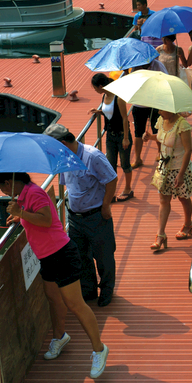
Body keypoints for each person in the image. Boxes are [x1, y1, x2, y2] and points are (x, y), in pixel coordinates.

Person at [0, 171, 109, 379]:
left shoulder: (34, 193)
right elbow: (34, 218)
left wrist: (21, 212)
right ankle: (60, 336)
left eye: (1, 187)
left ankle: (99, 349)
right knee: (54, 299)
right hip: (47, 257)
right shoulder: (23, 195)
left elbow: (46, 220)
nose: (2, 192)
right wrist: (20, 217)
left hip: (61, 254)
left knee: (75, 304)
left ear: (9, 182)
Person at [44, 122, 119, 307]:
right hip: (75, 217)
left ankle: (107, 290)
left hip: (96, 216)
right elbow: (69, 186)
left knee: (104, 256)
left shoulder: (92, 156)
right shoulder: (64, 159)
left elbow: (111, 179)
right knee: (80, 257)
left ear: (63, 143)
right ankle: (89, 291)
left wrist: (106, 205)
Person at [144, 109, 192, 251]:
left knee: (183, 198)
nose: (159, 111)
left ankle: (188, 224)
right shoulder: (161, 120)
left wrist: (181, 174)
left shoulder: (182, 125)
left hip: (179, 168)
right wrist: (150, 137)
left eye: (162, 109)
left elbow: (188, 150)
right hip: (164, 167)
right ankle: (160, 234)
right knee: (163, 201)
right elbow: (162, 137)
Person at [89, 73, 134, 201]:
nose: (95, 90)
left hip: (121, 135)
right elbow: (109, 112)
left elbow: (125, 118)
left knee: (125, 164)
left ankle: (128, 189)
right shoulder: (105, 96)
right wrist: (99, 111)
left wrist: (126, 138)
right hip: (110, 136)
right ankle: (111, 192)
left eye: (95, 88)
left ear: (101, 86)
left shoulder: (118, 97)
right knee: (110, 165)